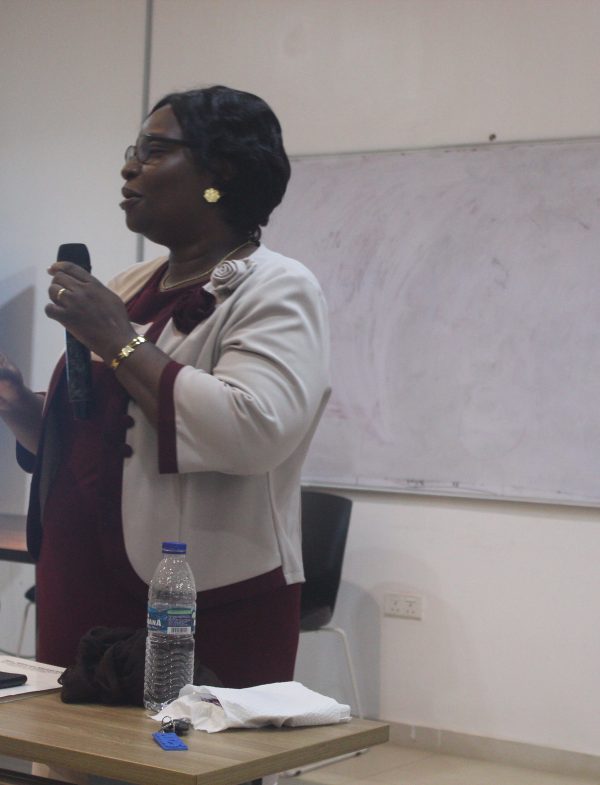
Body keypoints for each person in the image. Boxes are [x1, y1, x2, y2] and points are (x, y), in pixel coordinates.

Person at [0, 85, 330, 689]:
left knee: (180, 745)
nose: (129, 167)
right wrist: (19, 406)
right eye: (134, 151)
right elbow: (94, 435)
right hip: (80, 580)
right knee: (67, 746)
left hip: (197, 597)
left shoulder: (277, 287)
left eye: (153, 151)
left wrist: (117, 340)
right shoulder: (131, 284)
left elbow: (253, 430)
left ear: (220, 172)